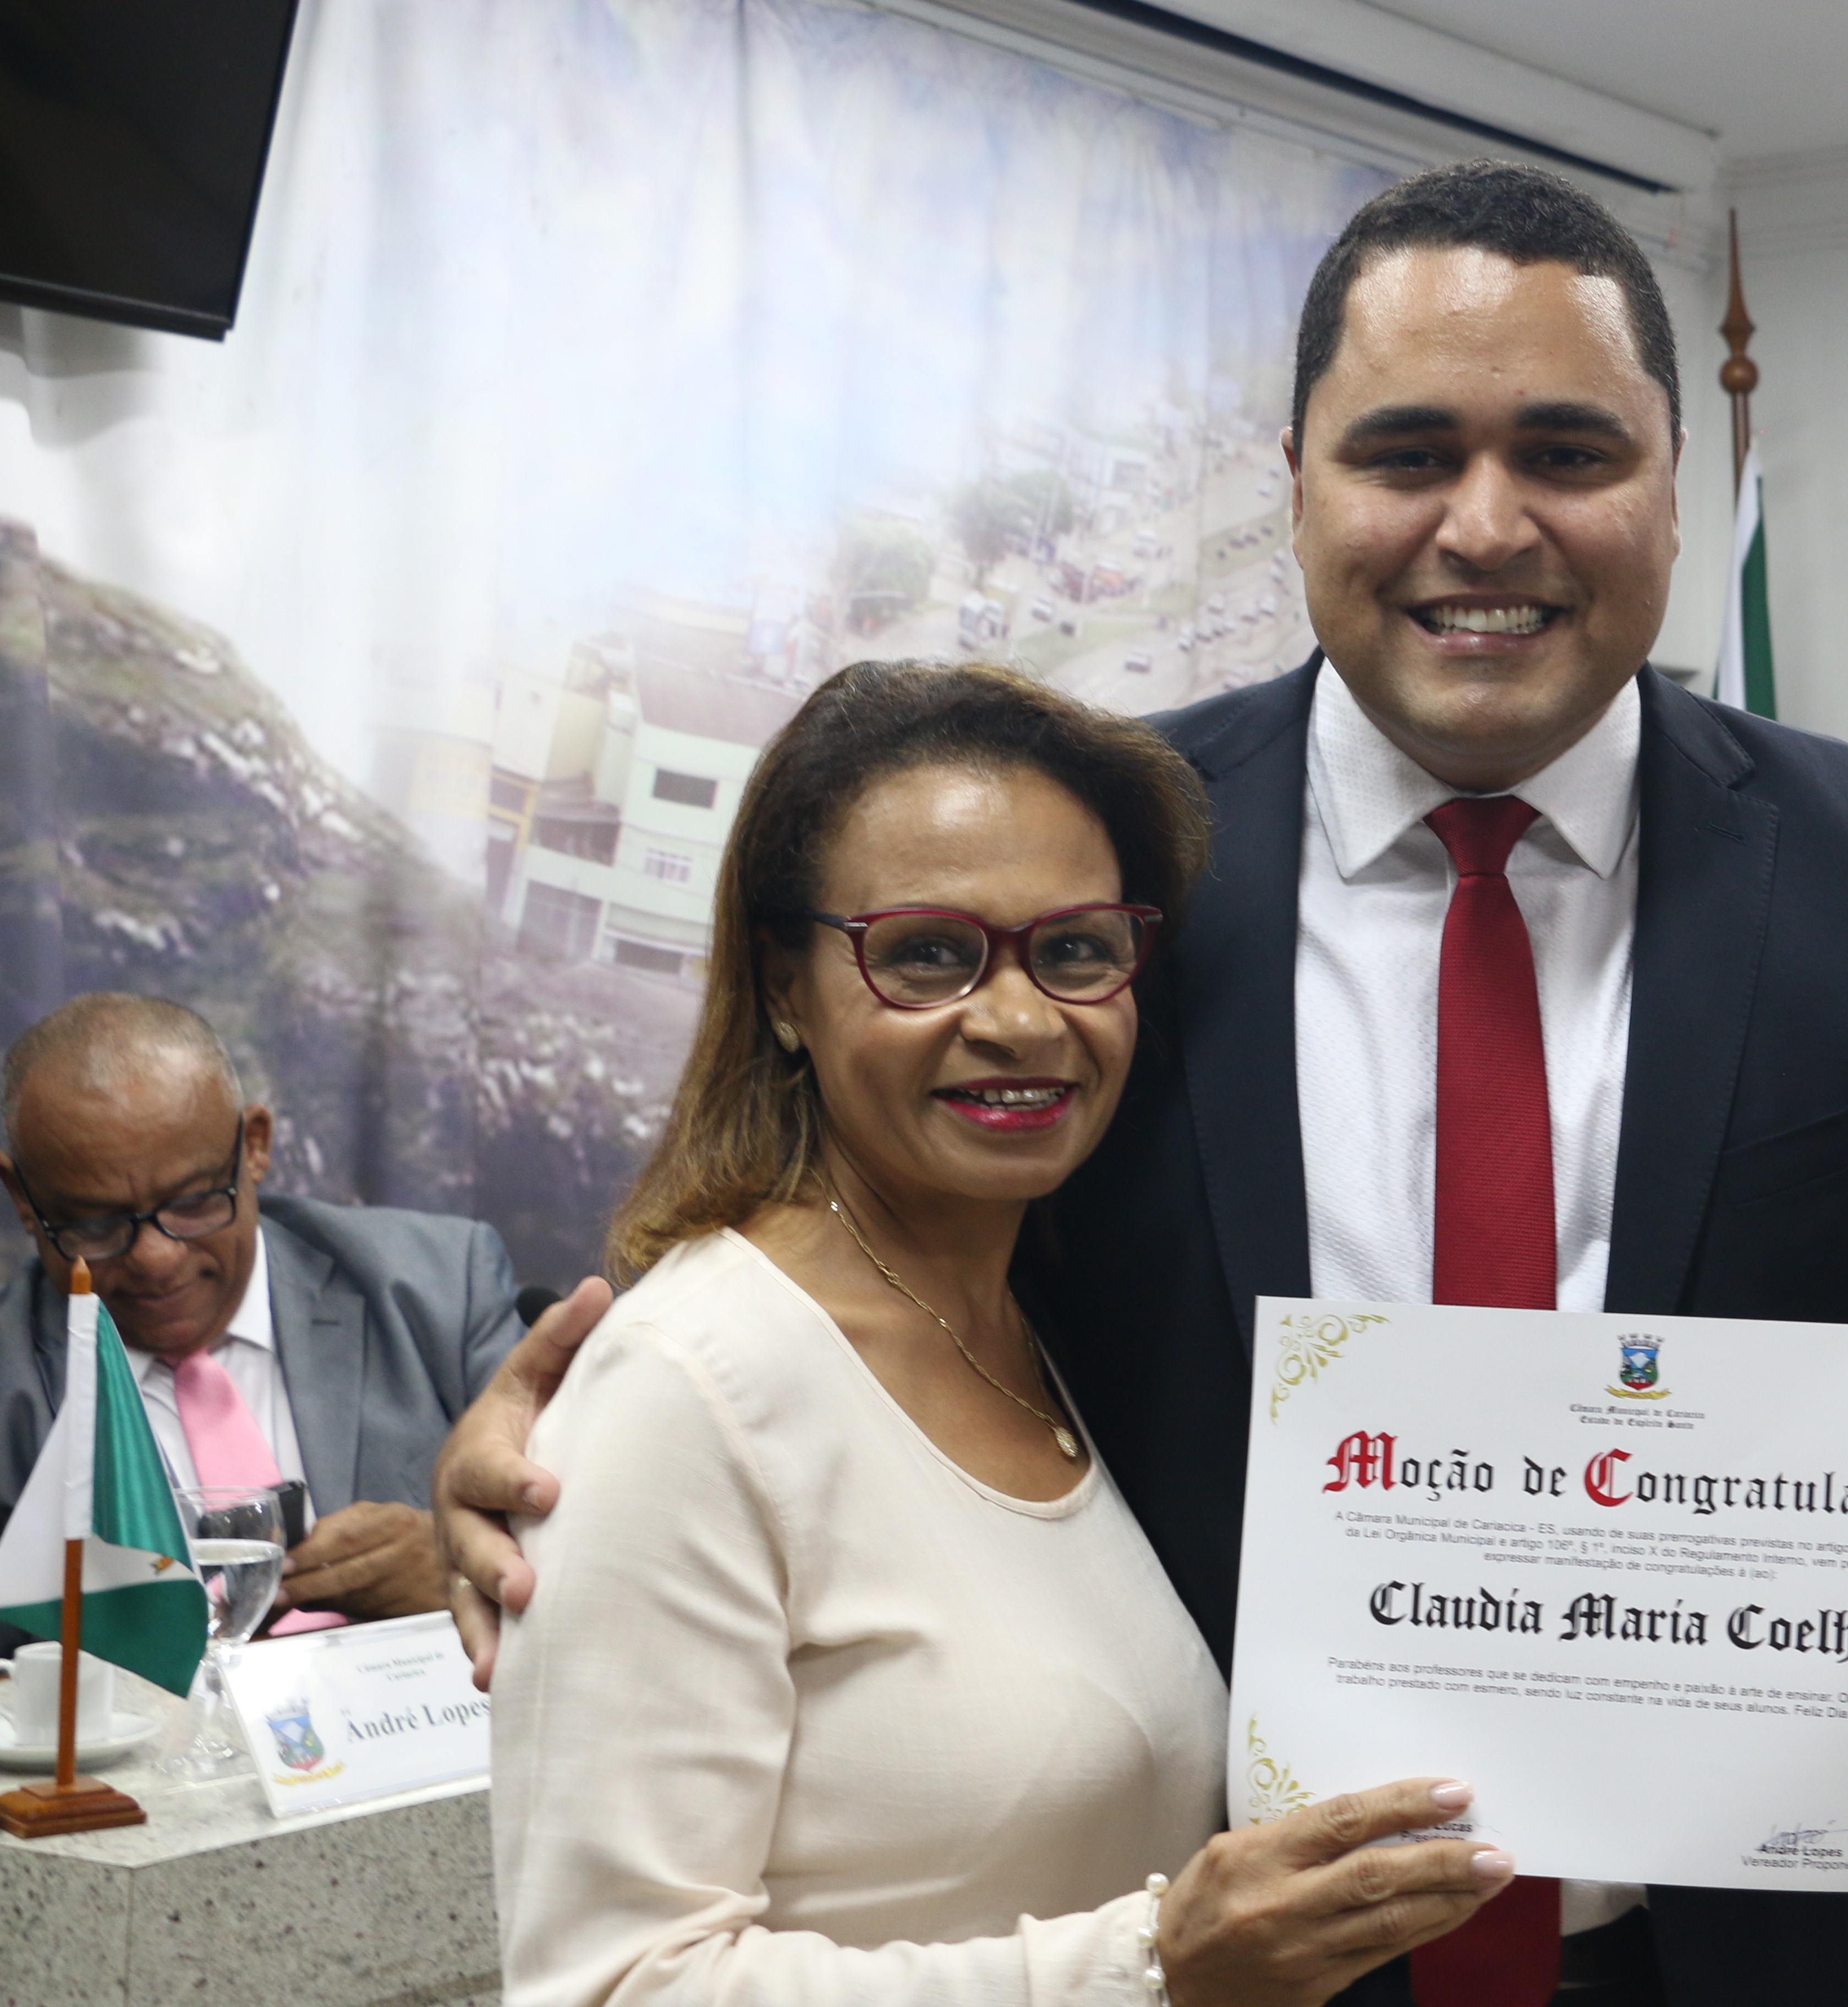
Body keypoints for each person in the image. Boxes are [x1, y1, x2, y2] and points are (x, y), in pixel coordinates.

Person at [448, 162, 1848, 2006]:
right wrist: (562, 1439)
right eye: (1408, 453)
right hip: (1235, 1973)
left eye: (1569, 453)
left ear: (1677, 486)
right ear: (1299, 486)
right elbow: (829, 1255)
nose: (1485, 527)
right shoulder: (1108, 870)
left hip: (1764, 1953)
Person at [492, 661, 1507, 2006]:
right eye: (926, 954)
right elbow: (612, 1985)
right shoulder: (685, 1387)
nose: (1022, 1020)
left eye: (1076, 950)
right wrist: (1152, 1968)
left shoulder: (1041, 1326)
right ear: (785, 986)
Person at [0, 992, 520, 1679]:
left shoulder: (440, 1290)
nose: (157, 1259)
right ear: (23, 1198)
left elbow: (591, 1568)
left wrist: (461, 1579)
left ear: (254, 1146)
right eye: (95, 1225)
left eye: (193, 1203)